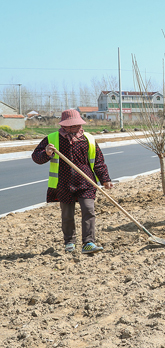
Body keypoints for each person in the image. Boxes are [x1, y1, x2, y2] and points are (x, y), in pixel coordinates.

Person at [31, 109, 113, 254]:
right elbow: (36, 157)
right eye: (68, 126)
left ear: (80, 124)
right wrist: (47, 153)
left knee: (89, 210)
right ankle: (69, 242)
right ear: (63, 125)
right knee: (67, 215)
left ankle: (88, 242)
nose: (72, 128)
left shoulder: (88, 139)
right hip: (63, 183)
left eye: (75, 125)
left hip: (86, 182)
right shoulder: (52, 139)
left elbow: (98, 161)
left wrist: (105, 179)